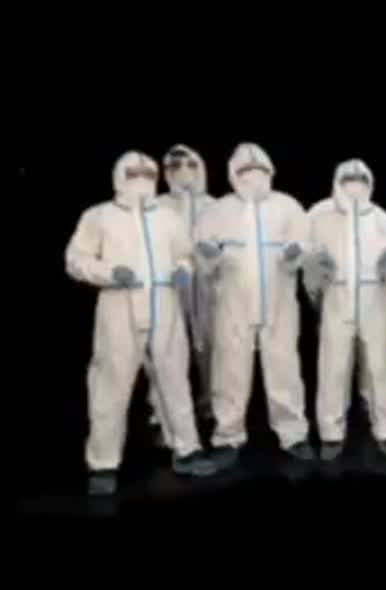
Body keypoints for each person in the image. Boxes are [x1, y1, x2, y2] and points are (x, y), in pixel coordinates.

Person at [65, 151, 216, 495]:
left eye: (147, 173)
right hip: (119, 304)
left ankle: (187, 448)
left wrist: (183, 270)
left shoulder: (167, 218)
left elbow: (185, 253)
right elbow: (75, 258)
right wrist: (108, 272)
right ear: (118, 176)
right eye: (132, 173)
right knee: (110, 383)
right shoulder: (99, 216)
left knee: (175, 379)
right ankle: (103, 462)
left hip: (164, 303)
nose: (140, 179)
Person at [195, 143, 313, 470]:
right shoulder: (218, 211)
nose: (252, 175)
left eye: (259, 169)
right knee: (229, 371)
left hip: (279, 303)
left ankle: (293, 433)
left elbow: (304, 243)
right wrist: (209, 256)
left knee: (284, 367)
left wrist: (295, 253)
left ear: (270, 171)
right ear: (233, 174)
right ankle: (227, 435)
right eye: (245, 170)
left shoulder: (287, 206)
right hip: (232, 303)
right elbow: (203, 256)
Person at [305, 159, 386, 461]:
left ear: (370, 182)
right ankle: (331, 434)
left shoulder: (381, 218)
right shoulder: (319, 214)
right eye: (348, 179)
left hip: (375, 298)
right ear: (337, 181)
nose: (354, 184)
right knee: (333, 367)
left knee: (380, 367)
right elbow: (302, 252)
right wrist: (314, 277)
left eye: (361, 179)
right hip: (336, 297)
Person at [149, 145, 217, 430]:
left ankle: (210, 401)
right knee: (165, 344)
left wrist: (213, 257)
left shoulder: (214, 205)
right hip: (170, 281)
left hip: (208, 283)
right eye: (175, 166)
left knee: (210, 344)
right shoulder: (157, 205)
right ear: (166, 171)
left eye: (190, 164)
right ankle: (162, 408)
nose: (183, 171)